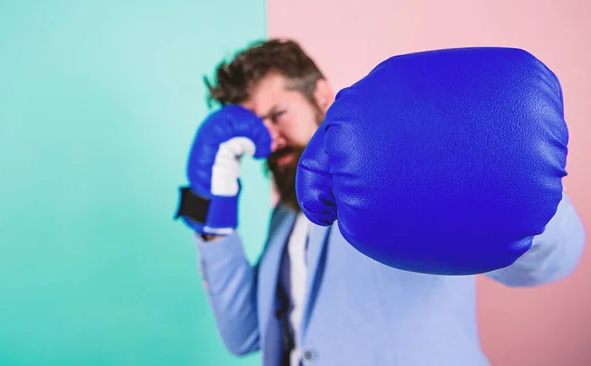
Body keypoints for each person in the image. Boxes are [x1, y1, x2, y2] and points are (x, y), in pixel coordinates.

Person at [176, 39, 586, 366]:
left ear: (321, 95)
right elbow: (243, 335)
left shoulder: (402, 172)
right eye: (252, 126)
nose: (268, 139)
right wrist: (213, 217)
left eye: (277, 114)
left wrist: (518, 183)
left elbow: (553, 264)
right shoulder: (283, 218)